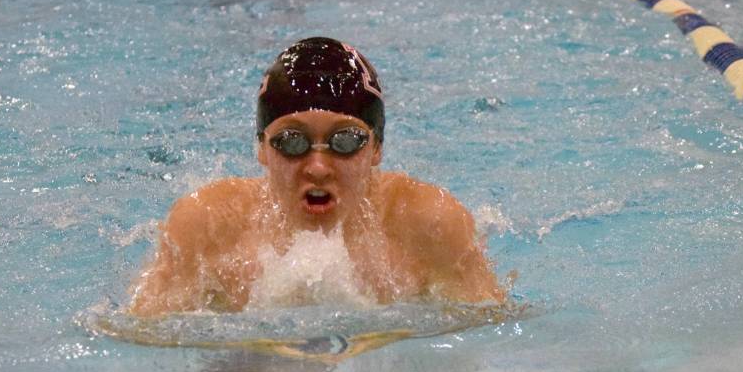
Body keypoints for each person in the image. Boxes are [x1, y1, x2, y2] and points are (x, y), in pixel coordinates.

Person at [128, 36, 505, 315]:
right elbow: (137, 334)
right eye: (292, 141)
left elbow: (496, 328)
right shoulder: (205, 226)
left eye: (345, 141)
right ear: (261, 147)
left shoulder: (430, 225)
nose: (319, 167)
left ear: (376, 148)